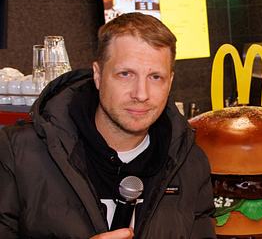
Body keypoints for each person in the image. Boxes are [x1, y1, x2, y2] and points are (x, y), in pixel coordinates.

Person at [0, 13, 215, 238]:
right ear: (98, 75)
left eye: (155, 77)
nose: (141, 94)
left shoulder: (189, 163)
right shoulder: (19, 154)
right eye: (125, 74)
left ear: (170, 82)